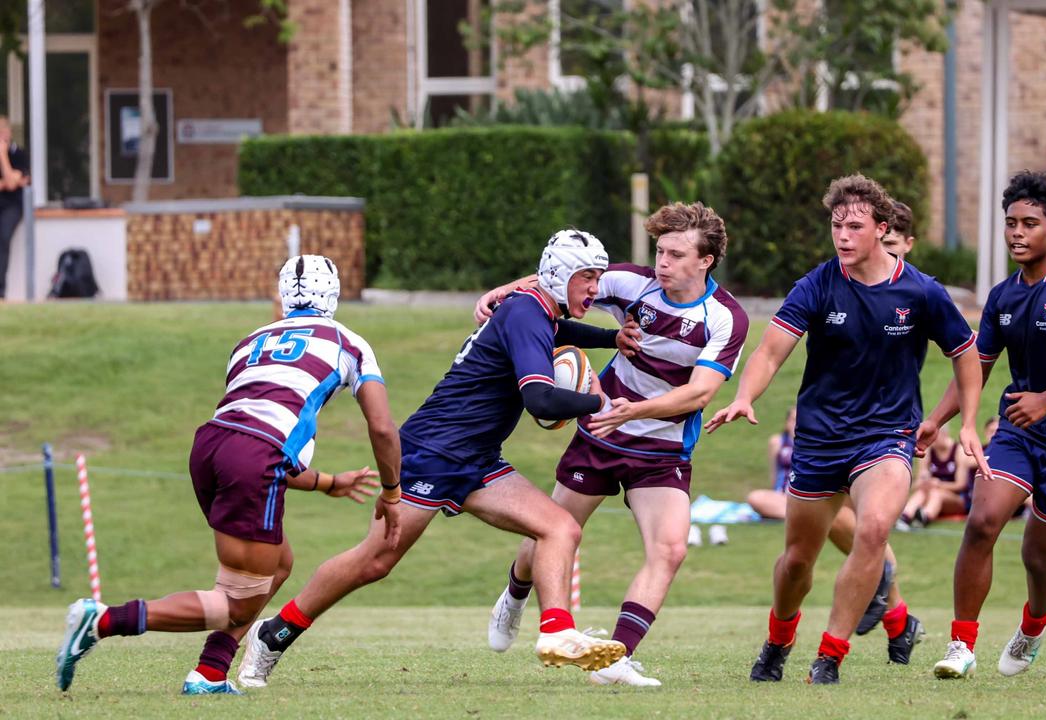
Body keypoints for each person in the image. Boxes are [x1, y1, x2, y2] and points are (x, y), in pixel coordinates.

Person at [234, 231, 630, 690]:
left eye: (598, 279)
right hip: (431, 452)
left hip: (477, 458)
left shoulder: (534, 311)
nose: (595, 290)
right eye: (587, 278)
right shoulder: (525, 311)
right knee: (375, 560)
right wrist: (598, 404)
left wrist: (611, 337)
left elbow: (558, 331)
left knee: (560, 528)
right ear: (560, 275)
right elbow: (540, 400)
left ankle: (557, 630)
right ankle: (274, 634)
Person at [55, 255, 402, 694]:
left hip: (209, 447)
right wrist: (391, 493)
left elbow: (251, 435)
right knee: (235, 602)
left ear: (284, 294)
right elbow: (382, 427)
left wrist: (329, 482)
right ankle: (102, 621)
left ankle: (210, 672)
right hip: (252, 455)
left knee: (278, 564)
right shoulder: (350, 342)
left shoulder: (248, 341)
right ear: (333, 293)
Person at [707, 174, 988, 685]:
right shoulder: (817, 284)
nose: (842, 235)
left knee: (875, 529)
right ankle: (778, 640)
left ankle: (830, 656)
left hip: (887, 437)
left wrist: (965, 421)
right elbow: (771, 351)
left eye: (854, 225)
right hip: (819, 438)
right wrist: (745, 396)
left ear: (883, 229)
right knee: (796, 562)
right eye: (836, 225)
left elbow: (966, 354)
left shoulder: (921, 292)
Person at [476, 203, 750, 687]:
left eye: (676, 254)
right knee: (552, 531)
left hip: (662, 449)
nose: (662, 263)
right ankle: (514, 596)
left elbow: (701, 391)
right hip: (601, 436)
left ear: (706, 261)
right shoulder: (631, 284)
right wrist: (500, 292)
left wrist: (636, 410)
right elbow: (561, 277)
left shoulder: (725, 317)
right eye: (660, 251)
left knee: (669, 549)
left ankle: (616, 656)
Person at [920, 171, 1046, 681]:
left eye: (1029, 224)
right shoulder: (1002, 297)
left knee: (1038, 557)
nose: (1017, 233)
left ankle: (1033, 625)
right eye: (1010, 223)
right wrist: (934, 420)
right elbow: (977, 367)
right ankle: (961, 645)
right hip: (1018, 430)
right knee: (982, 520)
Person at [747, 406, 917, 660]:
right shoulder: (787, 438)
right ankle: (897, 617)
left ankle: (888, 600)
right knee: (809, 547)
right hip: (822, 445)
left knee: (859, 524)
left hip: (867, 435)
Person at [899, 424, 974, 528]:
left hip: (957, 498)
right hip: (931, 493)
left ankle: (924, 517)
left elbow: (961, 485)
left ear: (944, 434)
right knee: (922, 491)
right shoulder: (929, 451)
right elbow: (917, 484)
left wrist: (938, 484)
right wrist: (924, 482)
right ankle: (905, 517)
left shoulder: (958, 451)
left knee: (936, 493)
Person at [0, 116, 29, 300]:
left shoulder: (20, 155)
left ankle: (0, 290)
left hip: (13, 205)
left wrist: (2, 156)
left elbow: (11, 183)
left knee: (3, 237)